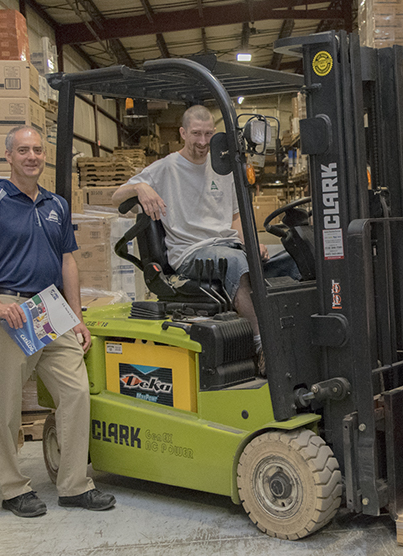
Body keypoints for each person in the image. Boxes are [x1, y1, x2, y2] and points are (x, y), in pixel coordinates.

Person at [0, 125, 116, 518]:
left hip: (50, 309)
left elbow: (68, 262)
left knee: (76, 392)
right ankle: (13, 489)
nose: (32, 157)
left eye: (38, 151)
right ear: (8, 156)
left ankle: (74, 484)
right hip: (10, 312)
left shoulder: (56, 205)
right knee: (5, 404)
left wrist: (77, 318)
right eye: (24, 150)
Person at [111, 105, 299, 372]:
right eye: (196, 134)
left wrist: (253, 244)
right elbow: (116, 196)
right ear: (183, 133)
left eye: (208, 134)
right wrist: (140, 187)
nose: (202, 142)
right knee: (235, 262)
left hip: (227, 245)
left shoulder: (223, 168)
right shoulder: (165, 169)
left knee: (292, 253)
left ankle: (293, 336)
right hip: (190, 253)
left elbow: (235, 218)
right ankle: (262, 345)